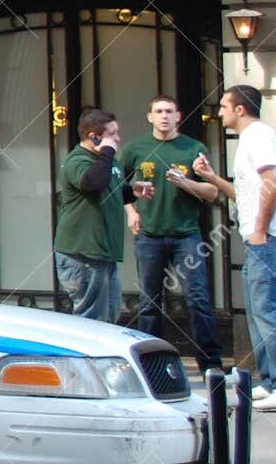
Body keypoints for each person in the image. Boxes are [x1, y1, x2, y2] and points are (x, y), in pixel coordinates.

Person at [118, 96, 221, 373]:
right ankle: (150, 365)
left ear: (179, 116)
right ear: (149, 116)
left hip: (186, 235)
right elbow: (118, 186)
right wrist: (132, 212)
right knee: (149, 302)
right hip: (149, 235)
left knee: (197, 299)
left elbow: (212, 192)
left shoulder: (193, 148)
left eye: (169, 112)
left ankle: (210, 364)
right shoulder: (135, 149)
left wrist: (185, 182)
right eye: (158, 111)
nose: (164, 116)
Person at [192, 86, 276, 404]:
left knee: (266, 311)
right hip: (259, 238)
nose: (220, 112)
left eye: (225, 106)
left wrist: (259, 229)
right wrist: (213, 178)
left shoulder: (258, 136)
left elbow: (272, 182)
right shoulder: (249, 140)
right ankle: (268, 382)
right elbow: (246, 194)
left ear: (240, 109)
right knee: (256, 312)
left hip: (265, 238)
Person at [53, 108, 133, 322]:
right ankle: (82, 358)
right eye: (112, 134)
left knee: (110, 313)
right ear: (94, 137)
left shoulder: (108, 161)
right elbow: (92, 183)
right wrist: (107, 152)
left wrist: (134, 191)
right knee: (91, 318)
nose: (118, 138)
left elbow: (112, 189)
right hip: (82, 254)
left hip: (104, 253)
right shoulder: (77, 160)